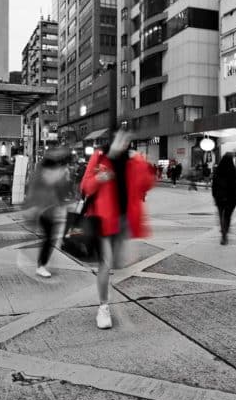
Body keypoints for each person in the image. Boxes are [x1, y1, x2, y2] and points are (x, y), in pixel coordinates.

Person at [80, 129, 154, 329]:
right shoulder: (100, 157)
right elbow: (85, 187)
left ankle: (107, 297)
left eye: (127, 139)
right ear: (112, 141)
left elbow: (147, 184)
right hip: (103, 220)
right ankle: (103, 308)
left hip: (123, 221)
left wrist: (140, 162)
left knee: (119, 264)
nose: (124, 143)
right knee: (106, 263)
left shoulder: (132, 160)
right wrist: (100, 179)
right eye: (120, 139)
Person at [28, 149, 71, 278]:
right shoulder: (46, 173)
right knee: (49, 238)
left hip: (50, 209)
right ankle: (41, 265)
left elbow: (61, 191)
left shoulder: (45, 172)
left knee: (50, 238)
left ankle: (42, 264)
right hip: (44, 210)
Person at [212, 153, 236, 245]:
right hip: (231, 197)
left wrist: (214, 196)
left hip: (220, 197)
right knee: (227, 216)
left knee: (221, 215)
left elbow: (214, 185)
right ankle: (225, 232)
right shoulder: (234, 171)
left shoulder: (218, 171)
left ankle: (223, 235)